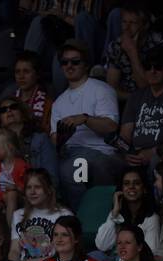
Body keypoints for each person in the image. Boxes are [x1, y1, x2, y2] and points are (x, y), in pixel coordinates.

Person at [50, 41, 121, 209]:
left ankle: (82, 215)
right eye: (65, 62)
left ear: (86, 64)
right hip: (69, 153)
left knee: (75, 169)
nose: (69, 66)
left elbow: (111, 126)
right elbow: (54, 138)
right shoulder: (58, 102)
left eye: (75, 61)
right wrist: (62, 136)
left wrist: (86, 119)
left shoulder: (101, 89)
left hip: (100, 152)